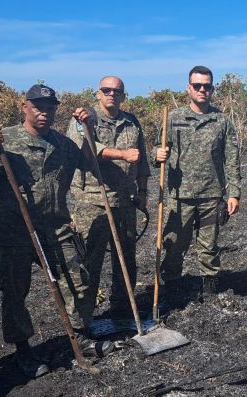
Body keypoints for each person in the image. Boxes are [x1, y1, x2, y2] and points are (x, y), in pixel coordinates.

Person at [0, 84, 114, 377]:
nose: (44, 113)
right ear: (24, 106)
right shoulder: (5, 141)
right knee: (14, 292)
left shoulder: (63, 144)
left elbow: (88, 160)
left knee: (78, 279)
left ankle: (80, 335)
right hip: (14, 230)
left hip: (56, 227)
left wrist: (88, 127)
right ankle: (23, 349)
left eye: (50, 108)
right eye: (38, 106)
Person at [154, 65, 241, 301]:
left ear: (212, 89)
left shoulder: (221, 121)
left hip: (211, 195)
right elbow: (157, 148)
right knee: (173, 245)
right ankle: (171, 287)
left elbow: (232, 159)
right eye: (197, 86)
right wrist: (158, 154)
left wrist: (234, 193)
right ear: (188, 88)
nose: (202, 90)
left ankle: (210, 287)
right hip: (179, 195)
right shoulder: (173, 118)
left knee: (209, 246)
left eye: (207, 86)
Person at [67, 76, 150, 319]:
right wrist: (121, 154)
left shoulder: (131, 122)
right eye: (107, 90)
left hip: (126, 200)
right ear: (98, 93)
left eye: (117, 91)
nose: (112, 94)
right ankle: (85, 313)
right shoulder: (84, 119)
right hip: (93, 201)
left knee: (126, 259)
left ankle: (122, 307)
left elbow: (142, 159)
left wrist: (143, 191)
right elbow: (85, 147)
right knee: (89, 260)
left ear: (123, 95)